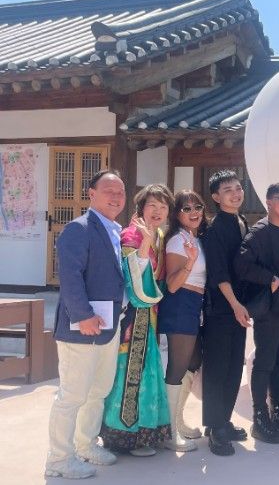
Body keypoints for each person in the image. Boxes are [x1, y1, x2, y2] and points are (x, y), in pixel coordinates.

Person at [46, 170, 126, 479]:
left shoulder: (117, 231)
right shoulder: (78, 229)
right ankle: (58, 459)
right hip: (82, 327)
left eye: (120, 192)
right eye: (109, 191)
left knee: (98, 390)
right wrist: (82, 315)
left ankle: (85, 445)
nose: (116, 197)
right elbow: (69, 276)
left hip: (109, 325)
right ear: (91, 194)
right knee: (72, 396)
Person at [100, 184, 173, 457]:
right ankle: (125, 436)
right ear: (141, 208)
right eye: (152, 205)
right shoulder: (131, 235)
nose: (157, 211)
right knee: (130, 372)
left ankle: (145, 432)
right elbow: (132, 280)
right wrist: (144, 244)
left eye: (163, 207)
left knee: (147, 371)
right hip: (132, 314)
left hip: (149, 315)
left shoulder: (159, 235)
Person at [236, 182, 279, 443]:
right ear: (269, 202)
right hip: (270, 312)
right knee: (264, 362)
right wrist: (268, 278)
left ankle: (278, 412)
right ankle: (259, 417)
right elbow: (241, 265)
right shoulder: (260, 232)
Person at [201, 170, 251, 456]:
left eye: (238, 188)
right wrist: (235, 304)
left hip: (238, 309)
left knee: (234, 367)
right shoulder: (216, 228)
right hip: (221, 309)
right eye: (228, 190)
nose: (235, 193)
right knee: (217, 368)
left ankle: (224, 419)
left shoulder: (242, 221)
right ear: (216, 197)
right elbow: (219, 273)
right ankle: (214, 427)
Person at [158, 190, 208, 453]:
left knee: (193, 361)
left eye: (197, 207)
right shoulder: (178, 240)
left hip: (195, 304)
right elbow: (173, 285)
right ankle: (169, 431)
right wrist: (189, 263)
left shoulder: (195, 238)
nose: (194, 212)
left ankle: (177, 419)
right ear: (177, 214)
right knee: (177, 368)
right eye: (186, 209)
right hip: (180, 304)